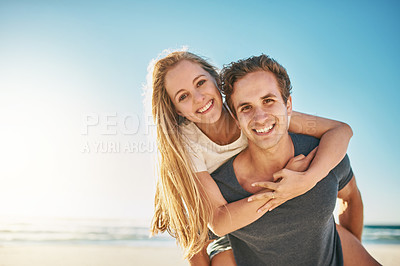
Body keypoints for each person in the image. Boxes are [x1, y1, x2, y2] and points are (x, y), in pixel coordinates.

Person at [149, 51, 359, 265]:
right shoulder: (185, 145)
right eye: (183, 96)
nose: (198, 98)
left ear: (217, 80)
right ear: (177, 110)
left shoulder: (255, 114)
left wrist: (308, 178)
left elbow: (340, 130)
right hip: (224, 221)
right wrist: (281, 189)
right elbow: (210, 227)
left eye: (201, 83)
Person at [206, 54, 379, 265]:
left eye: (268, 101)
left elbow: (351, 197)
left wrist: (349, 250)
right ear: (235, 118)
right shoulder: (221, 185)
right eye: (246, 107)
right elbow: (195, 243)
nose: (260, 117)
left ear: (288, 105)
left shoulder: (320, 153)